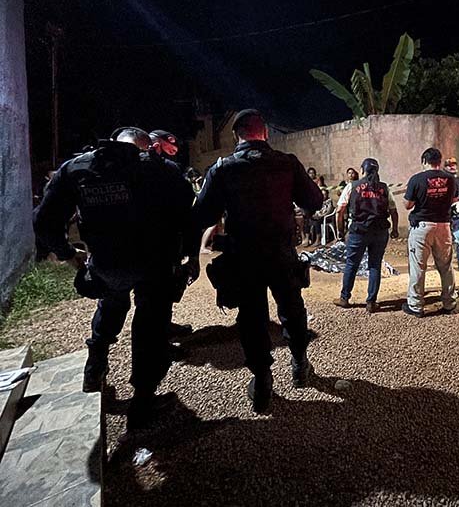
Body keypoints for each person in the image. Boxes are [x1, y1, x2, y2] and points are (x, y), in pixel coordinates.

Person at [33, 127, 199, 429]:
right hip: (154, 265)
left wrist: (69, 254)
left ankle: (96, 364)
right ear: (144, 147)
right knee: (151, 325)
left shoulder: (79, 167)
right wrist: (190, 257)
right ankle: (142, 402)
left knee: (110, 305)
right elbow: (188, 218)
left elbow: (44, 221)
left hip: (106, 264)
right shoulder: (162, 170)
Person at [192, 109, 323, 413]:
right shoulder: (286, 163)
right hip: (281, 252)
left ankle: (262, 382)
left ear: (236, 135)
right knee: (292, 309)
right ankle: (300, 366)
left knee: (251, 317)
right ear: (264, 133)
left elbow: (203, 215)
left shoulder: (222, 168)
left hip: (244, 256)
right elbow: (314, 201)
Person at [334, 158, 399, 312]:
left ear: (362, 170)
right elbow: (393, 211)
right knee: (375, 265)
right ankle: (371, 302)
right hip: (380, 231)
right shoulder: (384, 188)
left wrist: (340, 231)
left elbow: (339, 211)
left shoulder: (352, 186)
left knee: (352, 264)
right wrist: (395, 229)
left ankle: (345, 298)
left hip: (358, 231)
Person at [402, 147, 458, 317]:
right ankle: (449, 303)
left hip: (422, 227)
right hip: (444, 226)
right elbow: (454, 199)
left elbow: (407, 205)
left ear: (424, 161)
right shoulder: (451, 179)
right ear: (439, 161)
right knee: (446, 266)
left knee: (418, 266)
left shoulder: (417, 179)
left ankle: (416, 305)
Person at [149, 128, 194, 340]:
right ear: (157, 145)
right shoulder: (167, 169)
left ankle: (162, 328)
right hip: (159, 240)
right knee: (157, 293)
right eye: (169, 148)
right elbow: (185, 205)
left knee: (152, 295)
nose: (171, 153)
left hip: (134, 241)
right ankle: (158, 343)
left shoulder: (124, 167)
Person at [444, 156, 459, 271]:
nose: (452, 167)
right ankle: (445, 262)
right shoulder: (443, 181)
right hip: (446, 215)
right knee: (444, 240)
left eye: (453, 164)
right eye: (449, 165)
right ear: (445, 167)